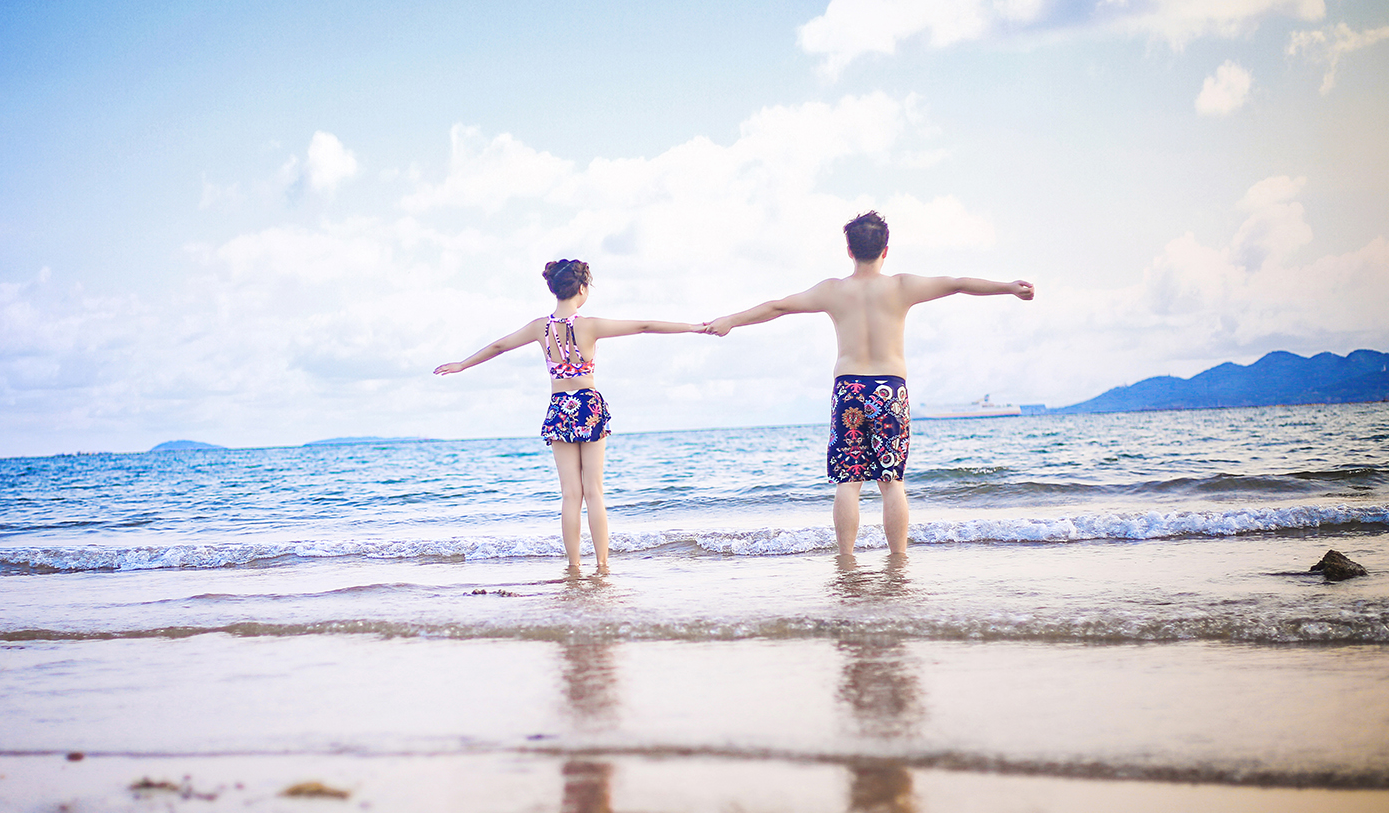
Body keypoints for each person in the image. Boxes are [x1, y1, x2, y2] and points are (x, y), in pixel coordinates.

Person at [706, 211, 1033, 557]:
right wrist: (1009, 288)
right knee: (892, 483)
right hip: (889, 390)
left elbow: (778, 306)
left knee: (849, 482)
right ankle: (898, 559)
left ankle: (846, 559)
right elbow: (957, 283)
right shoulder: (901, 286)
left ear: (849, 250)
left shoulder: (832, 291)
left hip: (848, 389)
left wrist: (731, 320)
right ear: (885, 250)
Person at [434, 259, 708, 572]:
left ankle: (574, 565)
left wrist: (462, 364)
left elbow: (499, 346)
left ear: (555, 289)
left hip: (560, 408)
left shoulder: (540, 327)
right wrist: (694, 327)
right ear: (581, 289)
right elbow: (643, 326)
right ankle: (602, 564)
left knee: (570, 495)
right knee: (594, 492)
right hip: (588, 406)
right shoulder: (590, 325)